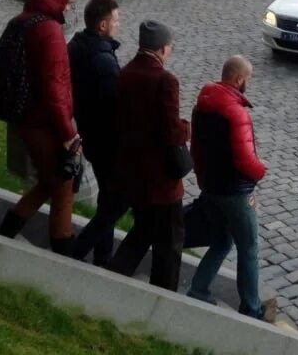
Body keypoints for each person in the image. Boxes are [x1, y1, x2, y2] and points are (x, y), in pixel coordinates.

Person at [0, 0, 81, 256]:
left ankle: (8, 230)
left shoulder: (21, 21)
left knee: (48, 181)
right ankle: (63, 248)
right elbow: (55, 88)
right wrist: (69, 134)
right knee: (63, 184)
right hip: (43, 122)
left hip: (23, 115)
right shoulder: (50, 31)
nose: (70, 4)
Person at [188, 56, 272, 321]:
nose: (249, 83)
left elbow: (197, 151)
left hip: (211, 188)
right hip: (236, 193)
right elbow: (245, 160)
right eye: (249, 78)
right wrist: (261, 171)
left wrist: (203, 182)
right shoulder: (237, 113)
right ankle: (251, 307)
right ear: (238, 79)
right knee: (248, 247)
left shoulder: (201, 105)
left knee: (222, 242)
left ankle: (199, 288)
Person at [108, 20, 189, 291]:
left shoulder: (127, 72)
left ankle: (114, 277)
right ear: (163, 48)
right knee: (169, 242)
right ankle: (163, 296)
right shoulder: (165, 80)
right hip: (161, 178)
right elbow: (171, 131)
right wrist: (187, 128)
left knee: (142, 231)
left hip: (133, 171)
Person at [65, 0, 125, 266]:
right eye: (115, 20)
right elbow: (118, 103)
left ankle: (103, 255)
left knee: (108, 197)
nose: (118, 24)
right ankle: (79, 251)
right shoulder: (102, 60)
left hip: (90, 132)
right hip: (106, 139)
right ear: (103, 25)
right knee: (116, 203)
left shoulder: (78, 46)